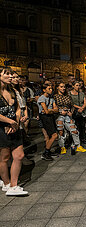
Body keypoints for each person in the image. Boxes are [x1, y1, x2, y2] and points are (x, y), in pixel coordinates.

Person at [0, 68, 28, 196]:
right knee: (4, 157)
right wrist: (9, 122)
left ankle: (13, 185)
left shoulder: (12, 90)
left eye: (10, 74)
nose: (10, 76)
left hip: (14, 126)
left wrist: (15, 121)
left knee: (19, 155)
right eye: (7, 74)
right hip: (2, 128)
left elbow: (17, 108)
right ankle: (6, 183)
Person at [54, 82, 86, 155]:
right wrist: (60, 111)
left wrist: (71, 112)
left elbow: (72, 105)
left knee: (74, 130)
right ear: (57, 88)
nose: (63, 88)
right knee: (61, 131)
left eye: (64, 87)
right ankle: (62, 147)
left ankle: (78, 145)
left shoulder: (67, 96)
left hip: (68, 115)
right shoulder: (55, 96)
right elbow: (54, 107)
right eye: (61, 87)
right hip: (60, 115)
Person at [37, 83, 59, 161]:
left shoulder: (51, 98)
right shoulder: (41, 98)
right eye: (49, 88)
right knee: (54, 135)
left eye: (51, 88)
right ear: (44, 90)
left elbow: (56, 109)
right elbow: (45, 111)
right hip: (45, 118)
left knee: (51, 135)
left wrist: (50, 110)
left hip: (50, 117)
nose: (51, 90)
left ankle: (48, 151)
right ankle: (46, 152)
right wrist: (50, 110)